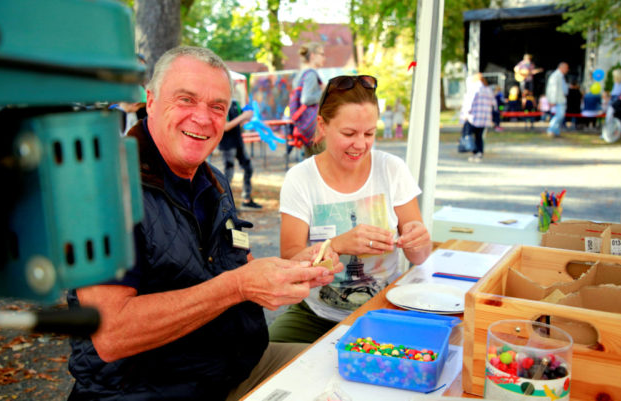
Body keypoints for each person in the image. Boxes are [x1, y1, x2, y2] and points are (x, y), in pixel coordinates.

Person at [66, 46, 342, 401]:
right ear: (150, 100)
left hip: (240, 368)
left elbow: (232, 269)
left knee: (351, 373)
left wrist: (289, 269)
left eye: (217, 107)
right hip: (148, 390)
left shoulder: (213, 181)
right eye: (186, 100)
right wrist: (238, 286)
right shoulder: (105, 186)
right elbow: (111, 334)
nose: (203, 118)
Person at [268, 75, 433, 344]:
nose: (361, 144)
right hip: (315, 315)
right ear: (322, 125)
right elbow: (289, 262)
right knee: (263, 361)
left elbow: (420, 256)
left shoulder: (392, 169)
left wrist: (417, 240)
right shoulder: (301, 178)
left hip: (384, 309)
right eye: (349, 133)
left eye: (370, 133)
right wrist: (338, 244)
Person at [218, 97, 262, 209]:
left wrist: (248, 116)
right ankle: (225, 205)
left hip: (238, 142)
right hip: (227, 145)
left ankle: (247, 199)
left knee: (248, 168)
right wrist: (243, 116)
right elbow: (225, 126)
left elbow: (240, 123)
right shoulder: (222, 102)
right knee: (228, 175)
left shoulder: (235, 103)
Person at [289, 42, 325, 157]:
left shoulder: (300, 74)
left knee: (312, 163)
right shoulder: (311, 74)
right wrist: (324, 91)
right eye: (322, 54)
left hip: (305, 125)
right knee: (324, 161)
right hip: (314, 126)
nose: (324, 57)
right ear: (313, 55)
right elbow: (306, 99)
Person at [459, 73, 495, 163]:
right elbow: (494, 104)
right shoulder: (488, 90)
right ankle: (479, 152)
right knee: (479, 136)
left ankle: (473, 151)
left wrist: (464, 115)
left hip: (473, 117)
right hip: (484, 118)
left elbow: (469, 103)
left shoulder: (474, 89)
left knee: (468, 135)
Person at [545, 62, 570, 137]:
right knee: (559, 115)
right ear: (562, 67)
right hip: (557, 100)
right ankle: (551, 130)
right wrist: (552, 100)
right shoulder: (556, 76)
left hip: (561, 99)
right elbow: (553, 89)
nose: (567, 70)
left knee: (560, 116)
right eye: (566, 68)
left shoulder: (560, 76)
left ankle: (555, 131)